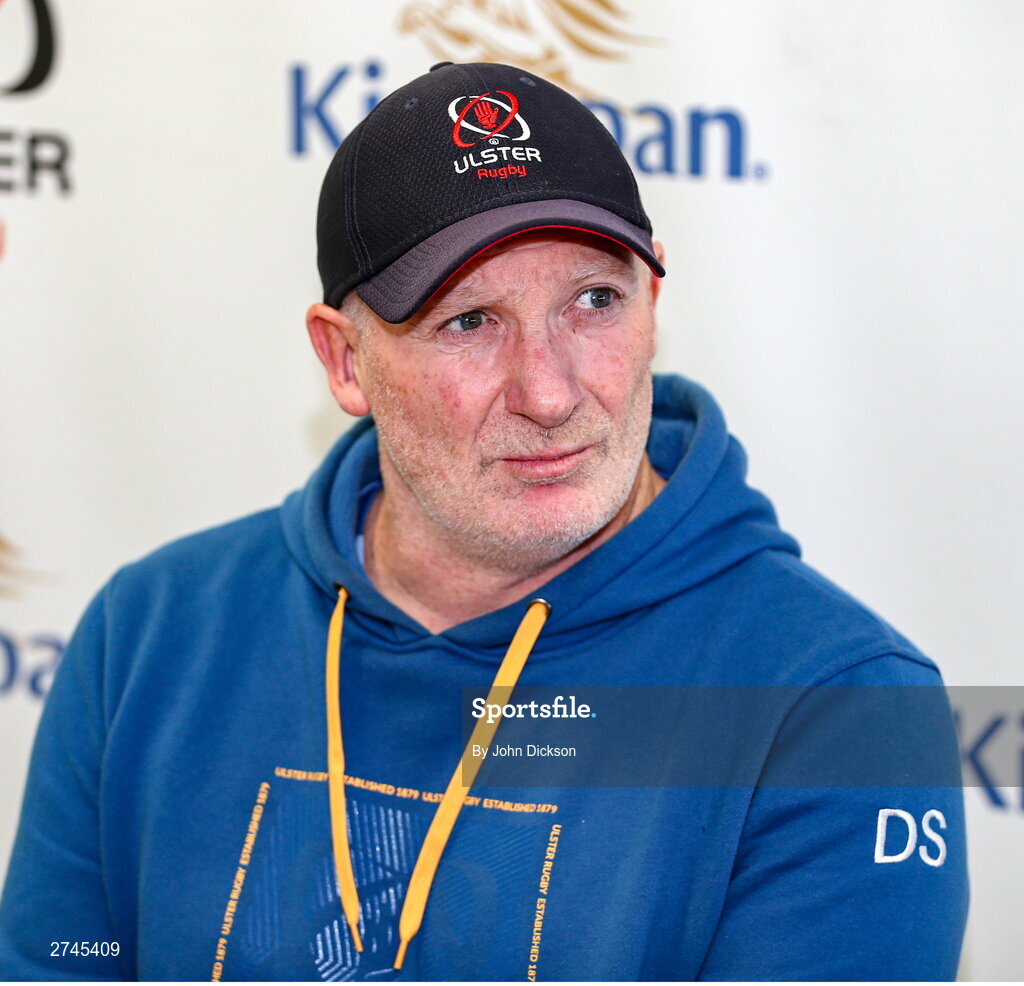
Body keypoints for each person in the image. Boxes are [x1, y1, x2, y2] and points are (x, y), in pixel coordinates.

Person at [0, 61, 967, 981]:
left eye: (594, 301)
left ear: (654, 304)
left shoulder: (838, 710)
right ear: (345, 363)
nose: (549, 393)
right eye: (469, 322)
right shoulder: (150, 635)